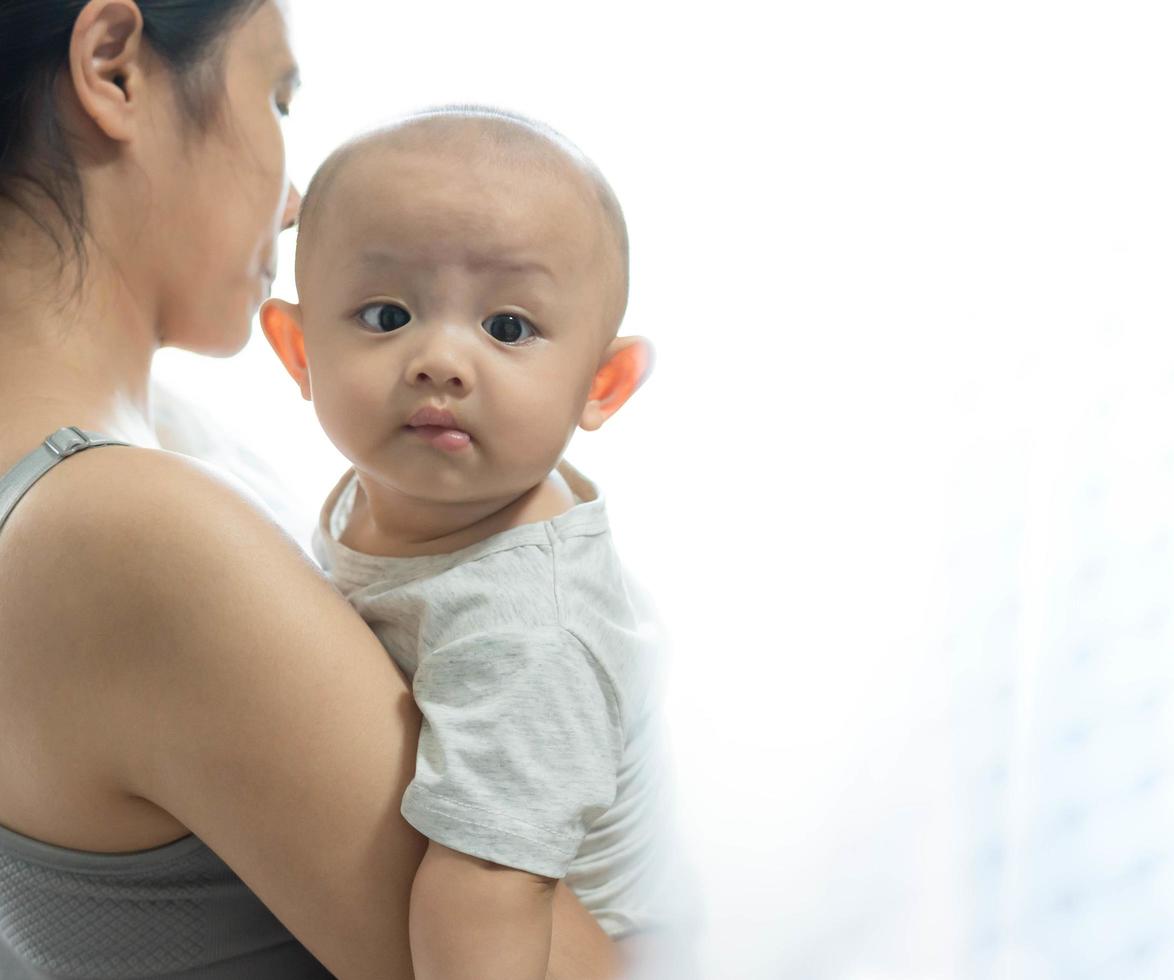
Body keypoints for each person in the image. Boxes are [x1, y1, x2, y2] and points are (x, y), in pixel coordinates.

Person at [0, 1, 620, 976]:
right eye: (277, 98)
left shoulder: (162, 449)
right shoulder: (128, 535)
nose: (292, 200)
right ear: (114, 68)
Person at [257, 108, 694, 977]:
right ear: (300, 351)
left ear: (599, 385)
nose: (440, 360)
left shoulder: (529, 632)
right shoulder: (390, 493)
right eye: (386, 315)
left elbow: (489, 895)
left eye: (505, 328)